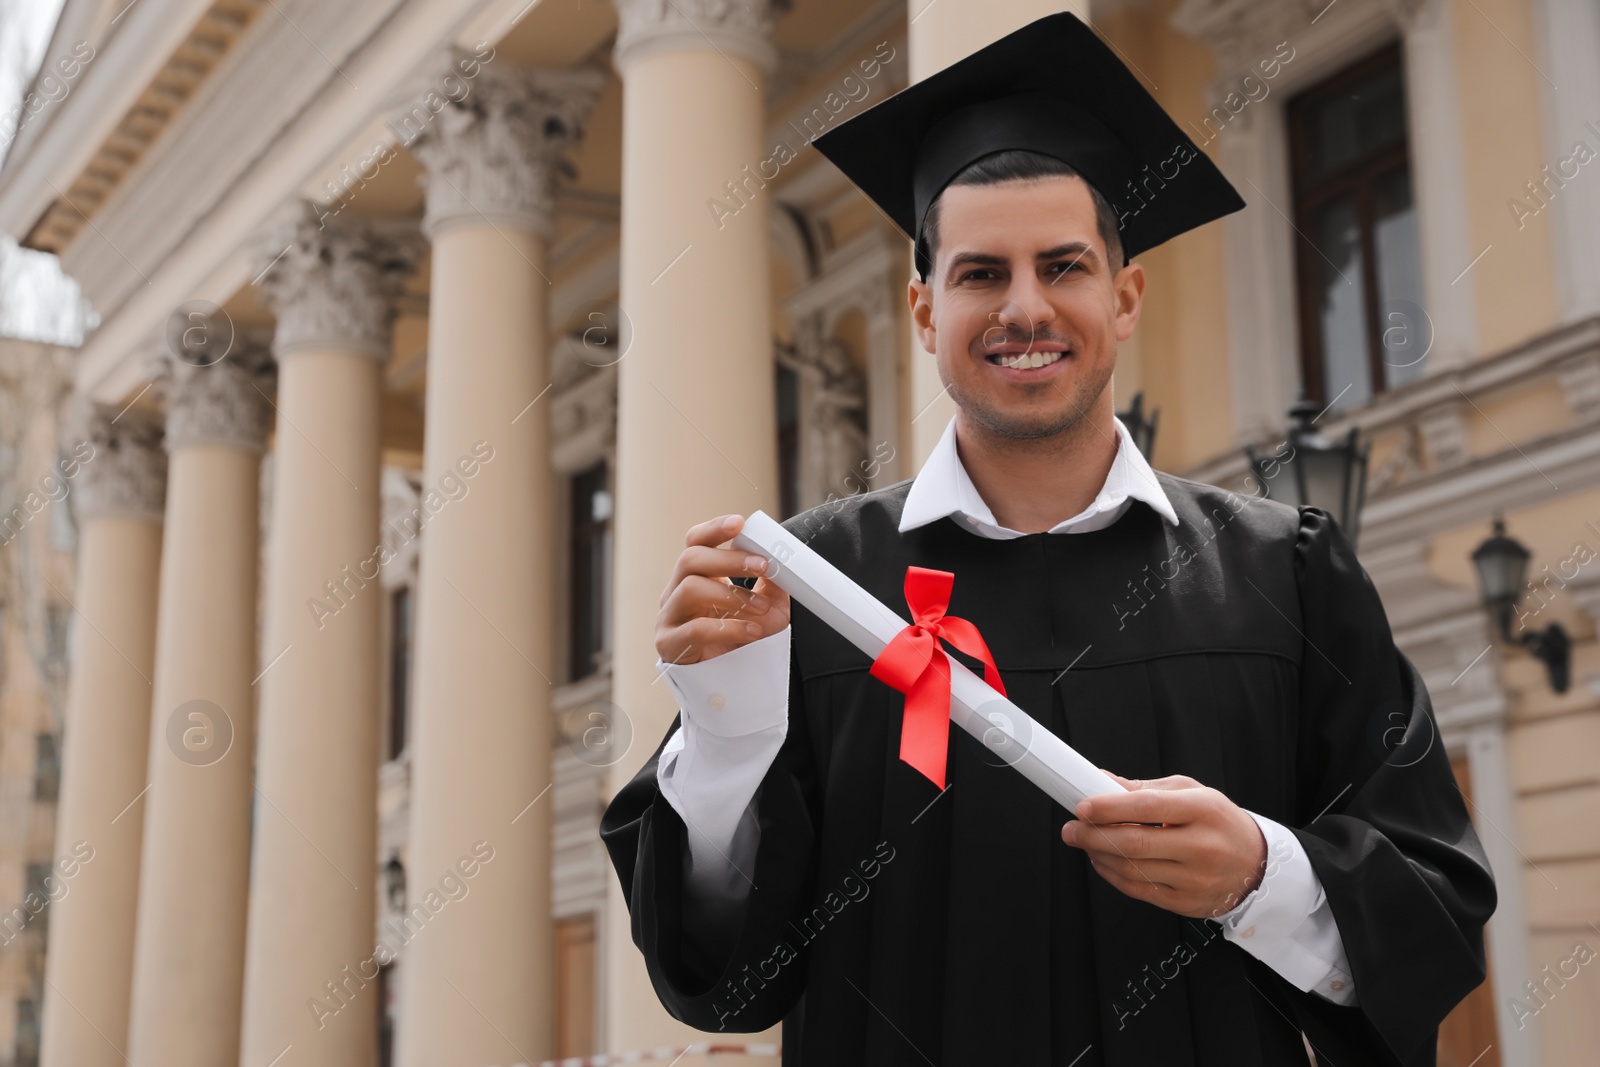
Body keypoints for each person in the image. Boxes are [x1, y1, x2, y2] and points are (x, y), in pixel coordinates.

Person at [601, 12, 1495, 1066]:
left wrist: (1262, 874)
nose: (1024, 307)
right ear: (925, 310)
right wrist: (725, 732)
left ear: (1122, 298)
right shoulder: (810, 588)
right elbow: (725, 974)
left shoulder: (1281, 573)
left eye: (1063, 266)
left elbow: (1433, 907)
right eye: (980, 273)